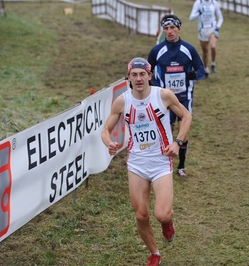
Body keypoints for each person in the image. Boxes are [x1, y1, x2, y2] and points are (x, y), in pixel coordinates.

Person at [101, 57, 192, 266]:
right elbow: (105, 130)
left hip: (161, 161)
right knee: (141, 216)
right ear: (128, 78)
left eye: (143, 74)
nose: (139, 78)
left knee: (161, 213)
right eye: (134, 75)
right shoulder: (122, 101)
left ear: (150, 75)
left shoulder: (163, 96)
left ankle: (167, 222)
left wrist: (177, 142)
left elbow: (186, 117)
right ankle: (155, 254)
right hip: (137, 163)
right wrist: (109, 143)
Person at [148, 14, 205, 179]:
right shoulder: (157, 50)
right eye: (166, 28)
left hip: (183, 98)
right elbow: (148, 71)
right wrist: (154, 83)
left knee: (183, 132)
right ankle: (165, 164)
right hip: (164, 99)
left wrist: (193, 75)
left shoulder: (189, 49)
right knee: (165, 131)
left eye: (172, 27)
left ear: (179, 29)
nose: (170, 31)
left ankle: (181, 166)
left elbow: (201, 69)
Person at [189, 0, 224, 76]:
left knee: (213, 46)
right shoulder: (198, 3)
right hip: (202, 30)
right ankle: (206, 69)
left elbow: (220, 18)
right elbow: (191, 18)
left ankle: (213, 64)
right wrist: (199, 12)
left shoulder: (214, 3)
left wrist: (217, 28)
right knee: (205, 52)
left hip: (212, 28)